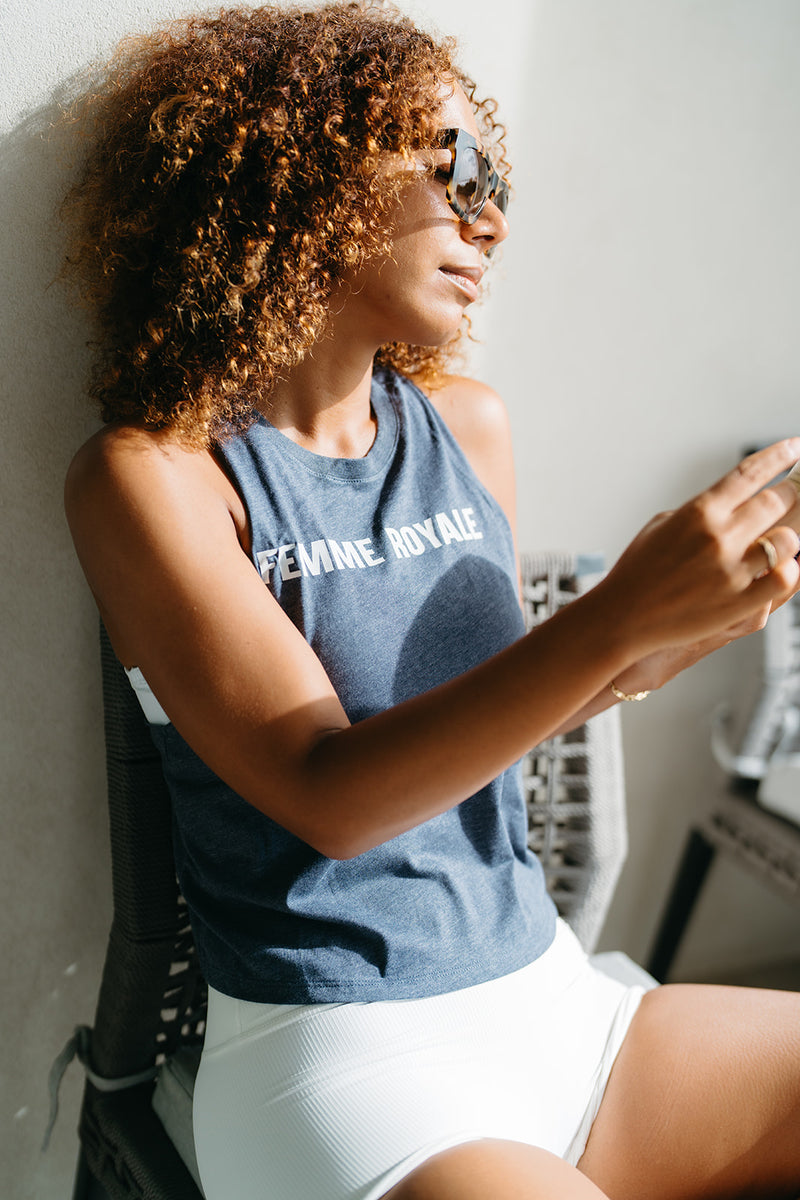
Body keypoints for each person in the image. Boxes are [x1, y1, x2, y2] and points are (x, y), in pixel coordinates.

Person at [62, 3, 800, 1198]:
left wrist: (670, 627)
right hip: (348, 1063)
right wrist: (609, 619)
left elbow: (497, 718)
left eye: (494, 178)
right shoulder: (155, 476)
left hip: (560, 1004)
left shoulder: (466, 424)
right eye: (451, 168)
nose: (490, 218)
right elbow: (327, 797)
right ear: (302, 177)